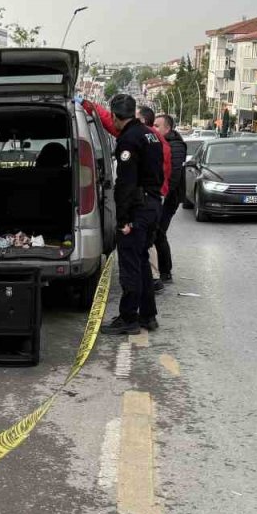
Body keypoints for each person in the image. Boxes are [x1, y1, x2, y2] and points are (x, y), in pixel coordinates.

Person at [99, 94, 162, 335]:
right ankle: (148, 315)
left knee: (130, 266)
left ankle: (128, 318)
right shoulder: (150, 135)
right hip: (152, 204)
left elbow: (126, 184)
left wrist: (123, 220)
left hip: (138, 209)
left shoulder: (128, 140)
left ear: (115, 116)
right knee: (142, 262)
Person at [152, 114, 187, 289]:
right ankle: (162, 270)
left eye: (157, 126)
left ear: (167, 128)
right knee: (157, 232)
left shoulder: (176, 145)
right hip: (161, 195)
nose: (154, 128)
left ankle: (165, 272)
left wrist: (163, 196)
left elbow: (174, 175)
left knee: (159, 232)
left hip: (169, 197)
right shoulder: (160, 141)